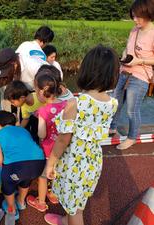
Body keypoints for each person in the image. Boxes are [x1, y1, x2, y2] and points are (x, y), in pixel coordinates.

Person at [44, 45, 119, 225]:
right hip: (92, 160)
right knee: (78, 200)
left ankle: (71, 219)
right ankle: (65, 219)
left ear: (86, 70)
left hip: (73, 161)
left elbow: (63, 139)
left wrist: (51, 163)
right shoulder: (113, 103)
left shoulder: (76, 103)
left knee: (76, 210)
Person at [109, 0, 154, 150]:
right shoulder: (134, 30)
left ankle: (132, 137)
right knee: (116, 103)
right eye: (133, 16)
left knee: (131, 109)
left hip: (141, 75)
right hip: (125, 72)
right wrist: (124, 56)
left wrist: (139, 61)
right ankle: (112, 128)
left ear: (147, 14)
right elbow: (127, 48)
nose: (134, 20)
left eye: (137, 16)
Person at [26, 67, 67, 212]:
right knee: (57, 171)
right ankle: (54, 194)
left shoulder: (43, 111)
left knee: (43, 176)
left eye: (37, 91)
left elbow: (42, 134)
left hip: (48, 149)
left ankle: (41, 202)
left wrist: (40, 120)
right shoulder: (66, 105)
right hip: (62, 148)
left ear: (42, 92)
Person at [0, 110, 45, 221]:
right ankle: (21, 202)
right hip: (39, 165)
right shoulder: (23, 130)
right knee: (26, 180)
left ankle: (12, 208)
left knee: (8, 184)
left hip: (17, 168)